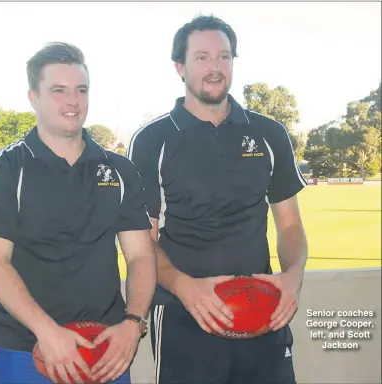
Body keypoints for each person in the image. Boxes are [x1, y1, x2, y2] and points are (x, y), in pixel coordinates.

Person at [127, 15, 308, 384]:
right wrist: (183, 286)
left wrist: (292, 277)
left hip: (262, 313)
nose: (215, 68)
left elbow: (289, 225)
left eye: (224, 57)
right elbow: (144, 243)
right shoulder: (152, 141)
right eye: (202, 57)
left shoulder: (269, 133)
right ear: (180, 67)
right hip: (185, 316)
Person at [0, 42, 156, 384]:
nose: (73, 101)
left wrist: (133, 323)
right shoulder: (8, 166)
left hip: (104, 351)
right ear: (33, 97)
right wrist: (48, 332)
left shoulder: (119, 170)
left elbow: (141, 255)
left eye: (81, 90)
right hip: (27, 349)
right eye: (58, 90)